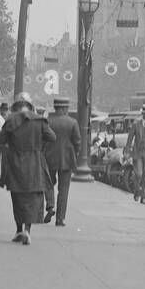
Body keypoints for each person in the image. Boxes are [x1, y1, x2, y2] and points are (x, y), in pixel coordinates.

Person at [0, 94, 56, 245]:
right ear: (30, 106)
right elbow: (52, 137)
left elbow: (0, 140)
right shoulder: (39, 121)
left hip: (15, 163)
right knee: (33, 198)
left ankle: (18, 230)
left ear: (16, 106)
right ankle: (27, 231)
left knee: (17, 197)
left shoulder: (11, 120)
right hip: (35, 163)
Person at [44, 97, 82, 226]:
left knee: (48, 183)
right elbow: (77, 141)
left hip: (49, 158)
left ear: (55, 107)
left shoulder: (47, 121)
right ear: (65, 108)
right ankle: (60, 219)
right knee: (64, 189)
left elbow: (43, 140)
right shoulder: (72, 122)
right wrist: (74, 153)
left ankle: (50, 205)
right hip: (66, 159)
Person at [123, 102, 145, 204]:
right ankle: (136, 191)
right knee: (138, 174)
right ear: (142, 114)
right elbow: (130, 138)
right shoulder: (135, 124)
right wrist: (127, 150)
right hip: (137, 153)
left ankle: (144, 197)